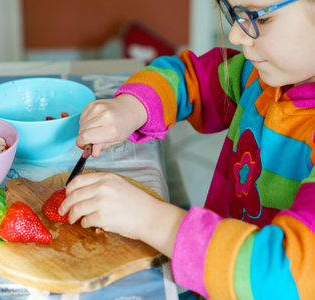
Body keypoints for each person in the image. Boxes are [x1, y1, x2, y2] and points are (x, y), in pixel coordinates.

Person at [59, 0, 315, 299]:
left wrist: (151, 220)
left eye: (260, 18)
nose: (234, 35)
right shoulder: (258, 79)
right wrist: (131, 108)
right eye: (233, 13)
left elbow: (284, 276)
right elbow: (190, 78)